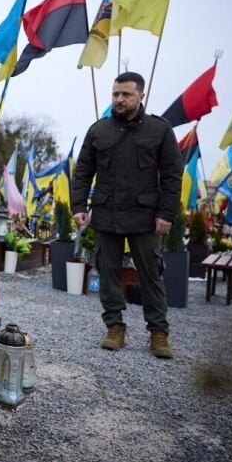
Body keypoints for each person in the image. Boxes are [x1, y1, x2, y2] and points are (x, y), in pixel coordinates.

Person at [71, 71, 182, 359]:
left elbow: (172, 175)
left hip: (145, 216)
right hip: (106, 213)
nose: (119, 99)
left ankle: (158, 332)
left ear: (141, 96)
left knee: (151, 274)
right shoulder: (99, 131)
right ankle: (114, 327)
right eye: (116, 94)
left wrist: (166, 213)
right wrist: (79, 207)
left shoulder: (160, 130)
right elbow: (83, 172)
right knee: (108, 273)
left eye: (126, 94)